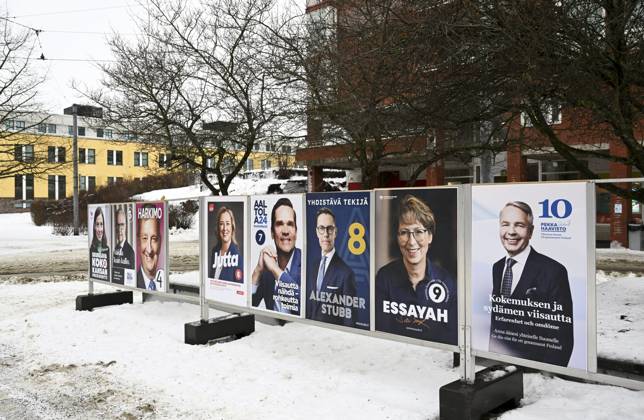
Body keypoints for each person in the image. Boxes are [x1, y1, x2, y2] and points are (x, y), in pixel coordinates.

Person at [489, 201, 573, 367]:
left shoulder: (553, 271)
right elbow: (497, 320)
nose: (511, 232)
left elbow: (562, 334)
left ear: (530, 231)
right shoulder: (498, 267)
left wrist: (548, 376)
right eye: (505, 224)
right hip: (502, 367)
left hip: (535, 374)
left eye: (519, 225)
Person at [375, 195, 457, 344]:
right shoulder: (384, 277)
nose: (411, 242)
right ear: (397, 236)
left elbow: (450, 338)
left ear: (430, 236)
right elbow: (382, 333)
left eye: (418, 232)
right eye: (404, 232)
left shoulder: (448, 282)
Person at [306, 207, 358, 326]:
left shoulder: (346, 273)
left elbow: (349, 319)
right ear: (316, 232)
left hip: (332, 337)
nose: (326, 234)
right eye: (321, 228)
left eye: (330, 228)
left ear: (335, 232)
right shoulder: (313, 267)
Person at [252, 197, 301, 314]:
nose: (285, 231)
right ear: (272, 232)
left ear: (296, 231)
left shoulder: (309, 263)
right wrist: (258, 271)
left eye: (290, 224)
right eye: (279, 224)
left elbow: (305, 307)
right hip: (275, 331)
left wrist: (275, 270)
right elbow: (248, 304)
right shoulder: (266, 269)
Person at [208, 206, 243, 283]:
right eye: (221, 224)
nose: (224, 228)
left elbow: (239, 287)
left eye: (227, 224)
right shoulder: (215, 251)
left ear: (232, 227)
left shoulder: (237, 255)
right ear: (218, 227)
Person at [136, 204, 163, 291]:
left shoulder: (163, 281)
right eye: (144, 238)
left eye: (154, 239)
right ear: (138, 242)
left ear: (160, 242)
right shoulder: (134, 281)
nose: (149, 249)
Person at [112, 207, 135, 285]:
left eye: (122, 225)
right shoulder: (115, 249)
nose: (119, 229)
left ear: (126, 226)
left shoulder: (130, 252)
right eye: (117, 225)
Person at [89, 206, 110, 281]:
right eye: (97, 224)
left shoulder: (108, 249)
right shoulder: (91, 249)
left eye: (101, 224)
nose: (100, 229)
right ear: (94, 226)